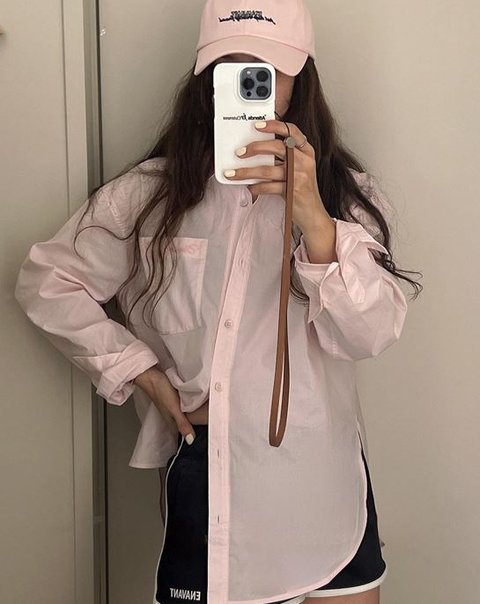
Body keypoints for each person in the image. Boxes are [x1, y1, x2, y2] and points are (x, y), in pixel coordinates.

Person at [14, 0, 422, 603]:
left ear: (300, 79)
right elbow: (48, 281)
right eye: (233, 69)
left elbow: (370, 334)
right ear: (206, 78)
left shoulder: (345, 198)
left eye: (268, 72)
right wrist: (139, 372)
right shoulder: (151, 196)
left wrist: (313, 217)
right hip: (209, 473)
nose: (251, 87)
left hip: (322, 478)